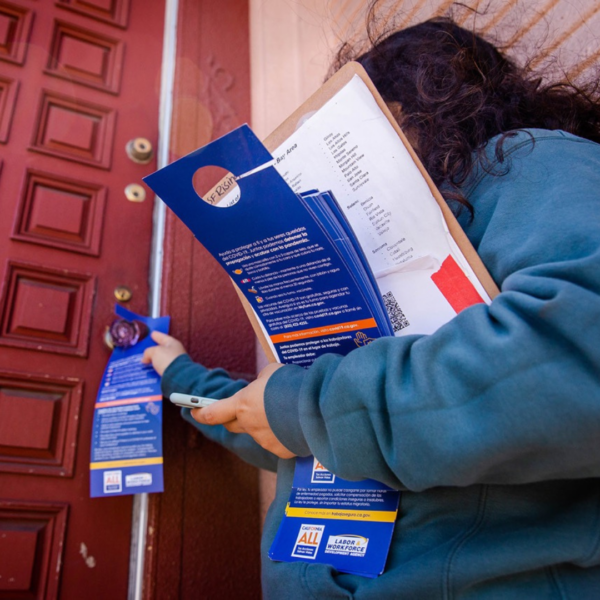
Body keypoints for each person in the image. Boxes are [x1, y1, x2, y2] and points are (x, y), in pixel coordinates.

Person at [142, 15, 600, 599]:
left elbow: (574, 355)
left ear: (428, 102)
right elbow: (304, 432)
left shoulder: (524, 162)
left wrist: (304, 409)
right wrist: (181, 376)